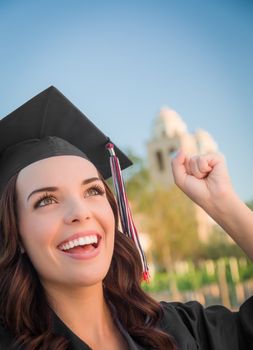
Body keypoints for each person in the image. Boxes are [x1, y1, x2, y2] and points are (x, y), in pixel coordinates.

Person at [0, 87, 252, 350]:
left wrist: (224, 204)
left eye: (93, 191)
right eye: (47, 200)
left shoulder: (177, 329)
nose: (80, 212)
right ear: (15, 233)